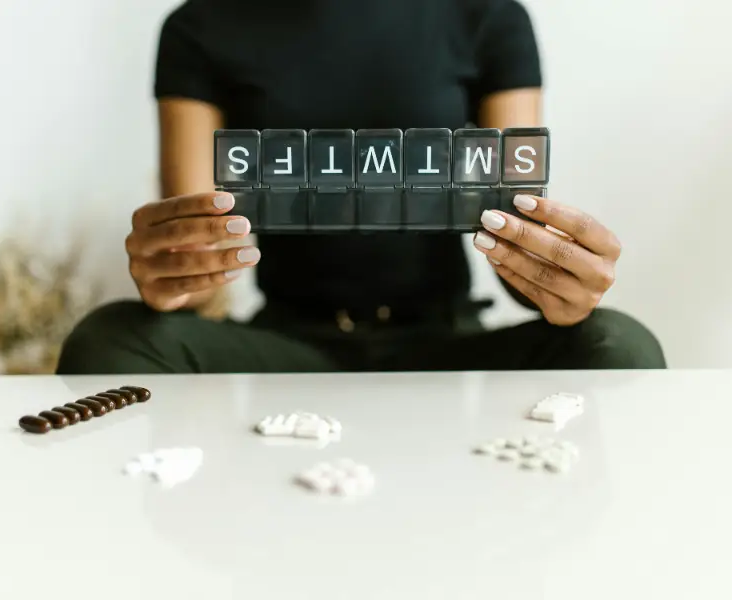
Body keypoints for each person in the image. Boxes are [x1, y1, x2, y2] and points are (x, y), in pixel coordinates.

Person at [56, 0, 666, 375]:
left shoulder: (490, 16)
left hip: (445, 339)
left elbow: (517, 230)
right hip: (287, 344)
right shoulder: (200, 27)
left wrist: (561, 282)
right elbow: (194, 267)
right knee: (110, 338)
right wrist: (167, 271)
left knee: (619, 342)